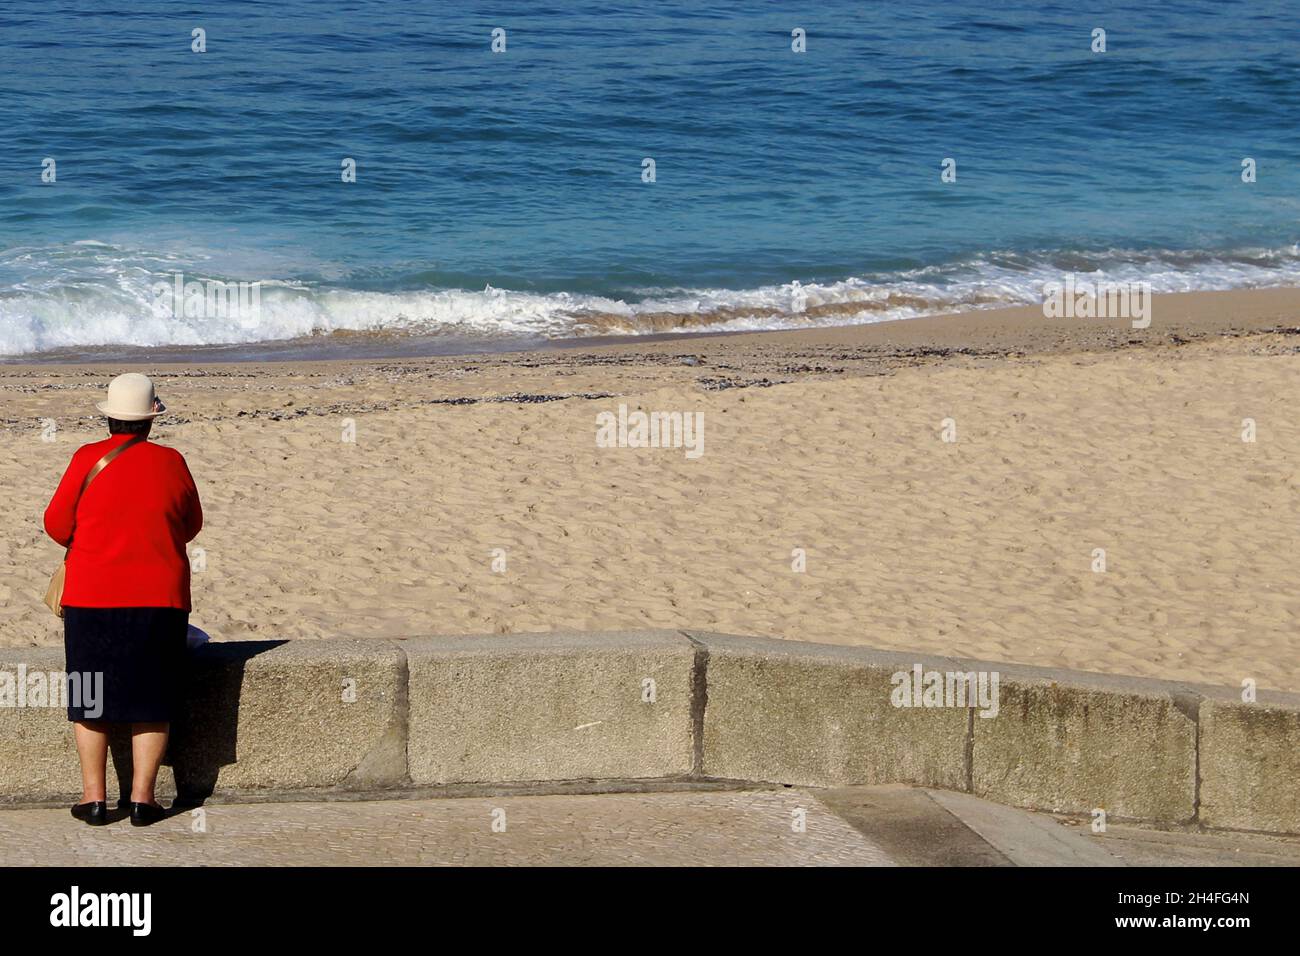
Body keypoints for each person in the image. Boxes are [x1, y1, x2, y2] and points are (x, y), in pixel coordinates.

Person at [43, 373, 203, 827]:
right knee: (152, 697)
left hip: (92, 595)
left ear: (110, 417)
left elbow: (56, 525)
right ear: (152, 418)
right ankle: (143, 800)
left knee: (89, 696)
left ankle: (94, 799)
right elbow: (191, 523)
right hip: (159, 596)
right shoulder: (172, 461)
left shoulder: (86, 457)